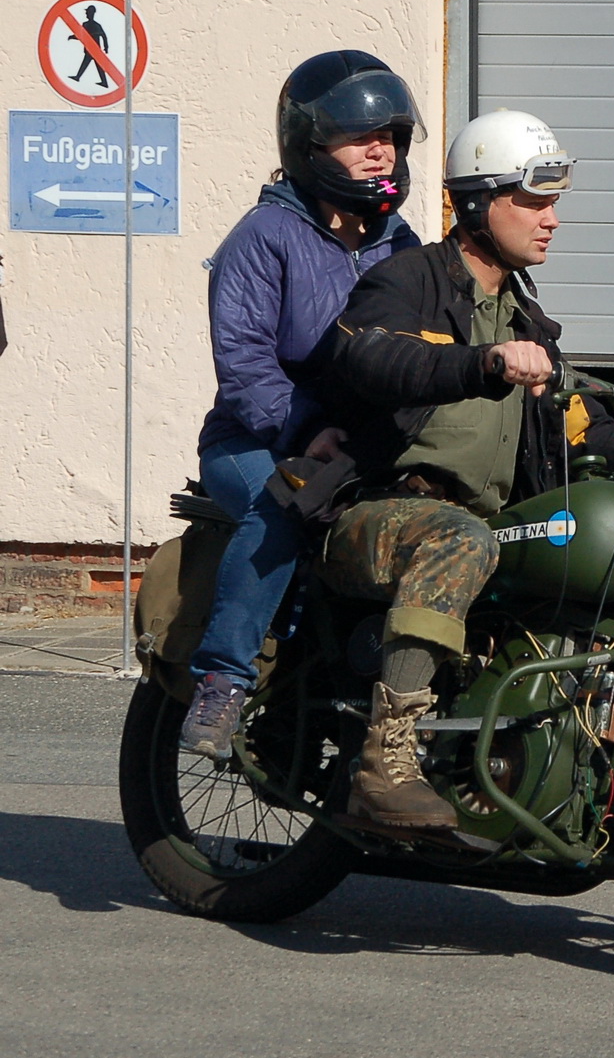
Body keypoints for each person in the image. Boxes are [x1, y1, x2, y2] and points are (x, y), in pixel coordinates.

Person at [311, 109, 614, 829]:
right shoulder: (409, 279)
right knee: (460, 537)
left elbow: (584, 425)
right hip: (376, 513)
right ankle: (388, 758)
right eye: (535, 201)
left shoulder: (527, 322)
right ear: (479, 202)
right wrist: (481, 362)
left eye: (555, 203)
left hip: (480, 525)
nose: (551, 220)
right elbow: (367, 354)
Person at [179, 51, 423, 761]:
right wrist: (308, 429)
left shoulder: (397, 244)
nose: (381, 149)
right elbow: (246, 366)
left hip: (357, 443)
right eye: (359, 136)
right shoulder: (263, 239)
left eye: (393, 135)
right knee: (286, 504)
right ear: (308, 147)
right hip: (254, 440)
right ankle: (222, 680)